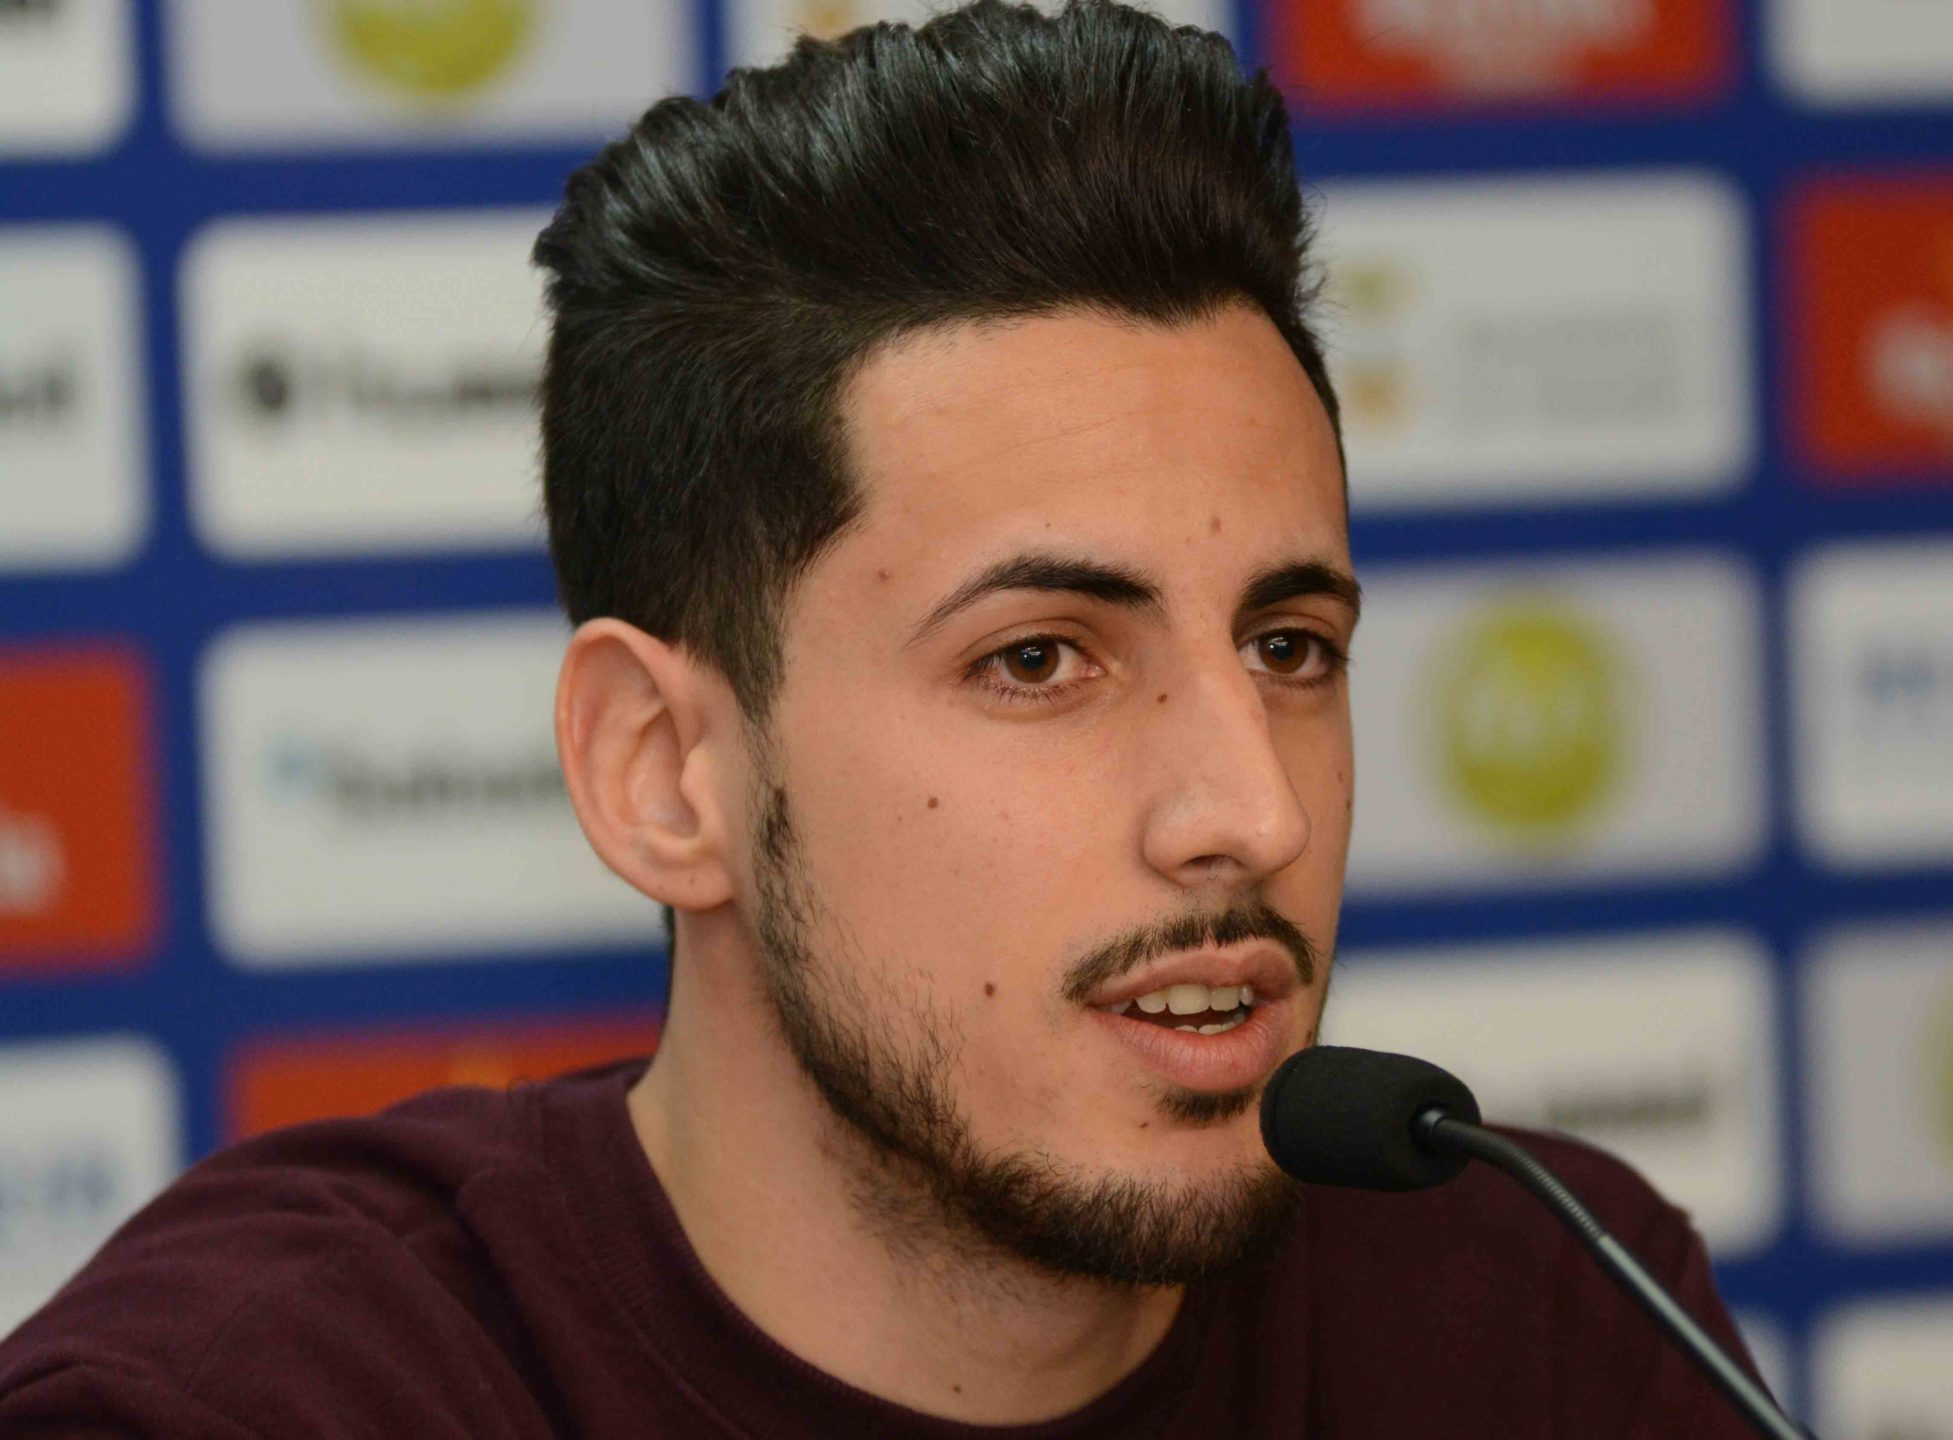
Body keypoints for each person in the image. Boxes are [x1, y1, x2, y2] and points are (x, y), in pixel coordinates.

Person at [0, 3, 1765, 1434]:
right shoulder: (260, 1403)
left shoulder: (1545, 1317)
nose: (1255, 812)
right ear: (662, 774)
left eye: (1290, 646)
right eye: (1041, 660)